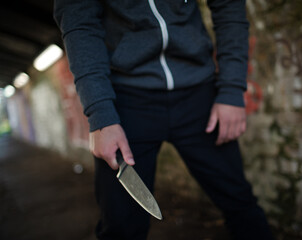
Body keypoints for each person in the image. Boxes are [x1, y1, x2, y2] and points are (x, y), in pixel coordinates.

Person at [54, 0, 274, 239]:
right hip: (126, 103)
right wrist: (101, 115)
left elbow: (228, 5)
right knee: (120, 227)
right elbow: (80, 25)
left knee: (241, 205)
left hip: (199, 95)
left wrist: (231, 91)